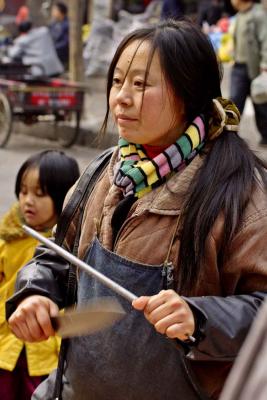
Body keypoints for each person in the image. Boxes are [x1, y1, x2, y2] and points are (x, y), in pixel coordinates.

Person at [6, 19, 267, 400]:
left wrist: (199, 318)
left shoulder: (239, 192)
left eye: (141, 85)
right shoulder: (103, 172)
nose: (120, 98)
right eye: (117, 81)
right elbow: (56, 256)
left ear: (189, 92)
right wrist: (36, 292)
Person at [0, 150, 80, 400]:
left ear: (64, 196)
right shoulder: (9, 237)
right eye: (24, 191)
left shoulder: (67, 246)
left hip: (44, 349)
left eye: (40, 193)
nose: (28, 201)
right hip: (6, 344)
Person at [230, 0, 267, 146]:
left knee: (261, 103)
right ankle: (231, 136)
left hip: (254, 67)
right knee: (234, 102)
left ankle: (265, 135)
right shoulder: (240, 15)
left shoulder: (259, 14)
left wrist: (265, 65)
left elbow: (265, 41)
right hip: (239, 66)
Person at [49, 2, 69, 66]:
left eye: (55, 10)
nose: (53, 12)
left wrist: (53, 48)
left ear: (61, 12)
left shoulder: (67, 25)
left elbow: (65, 42)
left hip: (61, 54)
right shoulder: (53, 24)